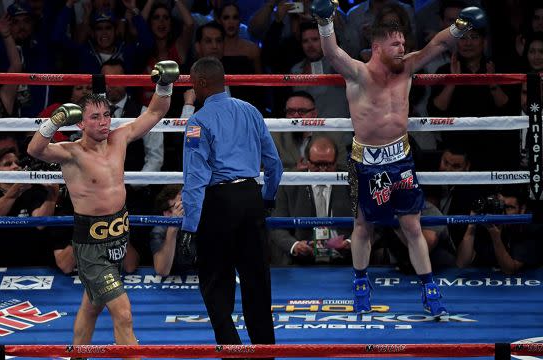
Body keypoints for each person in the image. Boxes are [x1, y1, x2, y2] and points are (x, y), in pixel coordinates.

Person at [311, 0, 487, 317]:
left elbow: (438, 44)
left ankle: (429, 289)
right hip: (366, 162)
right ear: (377, 46)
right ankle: (362, 283)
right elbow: (332, 53)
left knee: (413, 226)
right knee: (363, 226)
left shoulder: (407, 67)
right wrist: (325, 21)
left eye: (403, 42)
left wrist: (460, 26)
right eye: (395, 44)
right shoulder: (358, 74)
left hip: (400, 158)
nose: (402, 48)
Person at [27, 60, 179, 350]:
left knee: (91, 306)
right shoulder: (71, 153)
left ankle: (78, 356)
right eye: (95, 117)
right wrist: (54, 122)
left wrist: (164, 84)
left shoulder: (120, 138)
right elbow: (35, 149)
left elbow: (157, 111)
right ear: (81, 123)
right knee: (123, 313)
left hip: (118, 236)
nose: (103, 122)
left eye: (107, 115)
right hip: (91, 246)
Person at [179, 57, 283, 349]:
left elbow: (195, 179)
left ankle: (233, 353)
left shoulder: (198, 121)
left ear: (200, 83)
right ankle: (266, 355)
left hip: (219, 203)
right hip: (251, 197)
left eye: (191, 82)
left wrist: (190, 226)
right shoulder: (250, 111)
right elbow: (274, 164)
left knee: (216, 283)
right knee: (257, 284)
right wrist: (268, 198)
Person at [269, 135, 352, 266]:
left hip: (346, 260)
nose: (323, 170)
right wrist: (295, 245)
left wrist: (350, 243)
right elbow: (277, 226)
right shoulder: (290, 183)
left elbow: (368, 224)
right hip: (301, 262)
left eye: (328, 165)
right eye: (318, 164)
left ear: (336, 161)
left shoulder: (351, 182)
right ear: (306, 161)